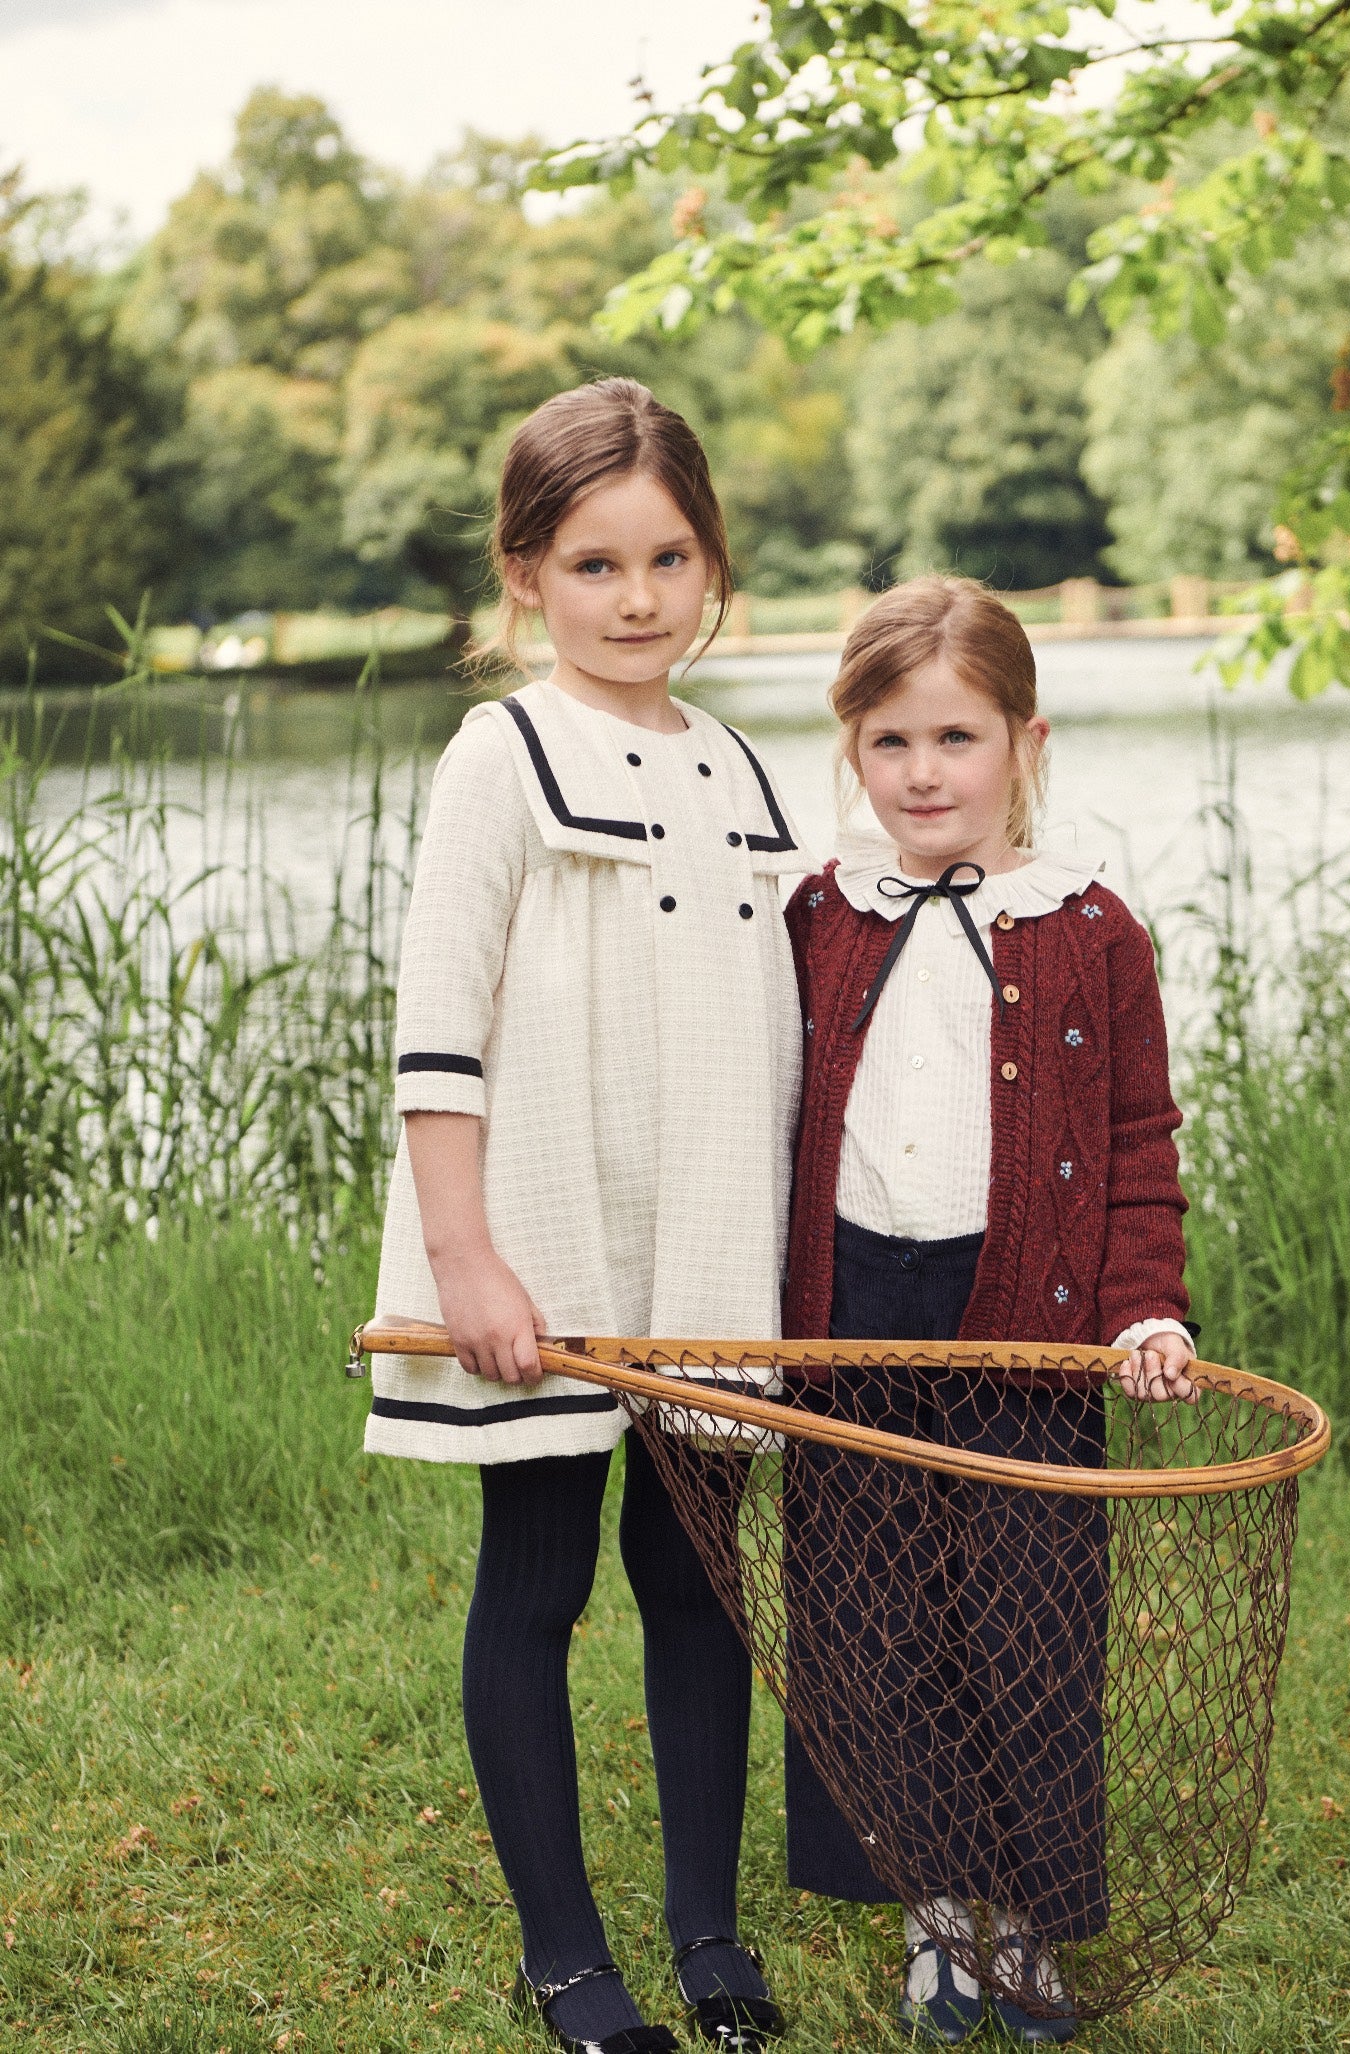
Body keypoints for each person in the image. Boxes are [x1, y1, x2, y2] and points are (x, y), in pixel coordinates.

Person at [366, 378, 807, 2054]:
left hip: (704, 1241)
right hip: (541, 1242)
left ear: (711, 565)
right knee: (537, 1585)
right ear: (527, 574)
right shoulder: (503, 754)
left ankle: (710, 1936)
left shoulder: (752, 768)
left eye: (668, 558)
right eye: (595, 563)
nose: (637, 600)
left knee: (699, 1583)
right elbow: (439, 1019)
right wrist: (468, 1253)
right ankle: (568, 1957)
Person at [779, 575, 1196, 2045]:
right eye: (890, 741)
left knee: (1025, 1619)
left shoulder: (1087, 930)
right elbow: (762, 1115)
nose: (925, 773)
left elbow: (1140, 1143)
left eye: (957, 736)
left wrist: (1148, 1307)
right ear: (851, 748)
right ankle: (933, 1910)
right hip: (853, 1313)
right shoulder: (820, 914)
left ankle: (1023, 1919)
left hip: (1028, 1315)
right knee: (870, 1616)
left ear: (1024, 737)